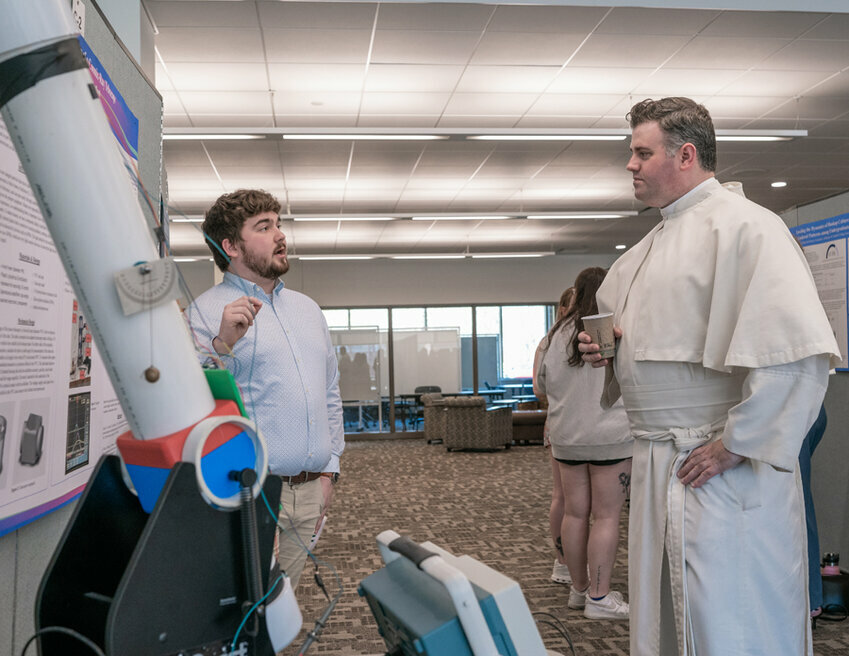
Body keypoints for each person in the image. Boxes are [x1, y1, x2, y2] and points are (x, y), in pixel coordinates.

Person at [578, 97, 841, 655]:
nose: (631, 165)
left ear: (687, 154)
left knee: (732, 615)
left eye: (642, 153)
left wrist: (734, 445)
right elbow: (651, 352)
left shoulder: (750, 229)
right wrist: (611, 353)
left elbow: (794, 358)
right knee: (664, 614)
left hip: (719, 468)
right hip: (656, 459)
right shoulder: (640, 253)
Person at [185, 188, 344, 590]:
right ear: (231, 246)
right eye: (264, 227)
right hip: (252, 495)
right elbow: (190, 405)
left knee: (284, 601)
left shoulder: (308, 310)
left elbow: (329, 393)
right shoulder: (203, 313)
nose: (280, 235)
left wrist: (331, 471)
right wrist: (222, 346)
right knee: (248, 606)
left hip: (311, 492)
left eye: (279, 224)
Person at [535, 269, 633, 620]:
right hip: (609, 437)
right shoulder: (608, 327)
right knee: (606, 516)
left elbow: (542, 385)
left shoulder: (554, 334)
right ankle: (600, 597)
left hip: (566, 438)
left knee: (575, 513)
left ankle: (579, 590)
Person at [534, 286, 575, 587]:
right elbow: (540, 389)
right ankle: (562, 562)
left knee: (582, 503)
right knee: (563, 496)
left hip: (578, 427)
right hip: (560, 425)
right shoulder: (548, 343)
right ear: (561, 309)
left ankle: (574, 562)